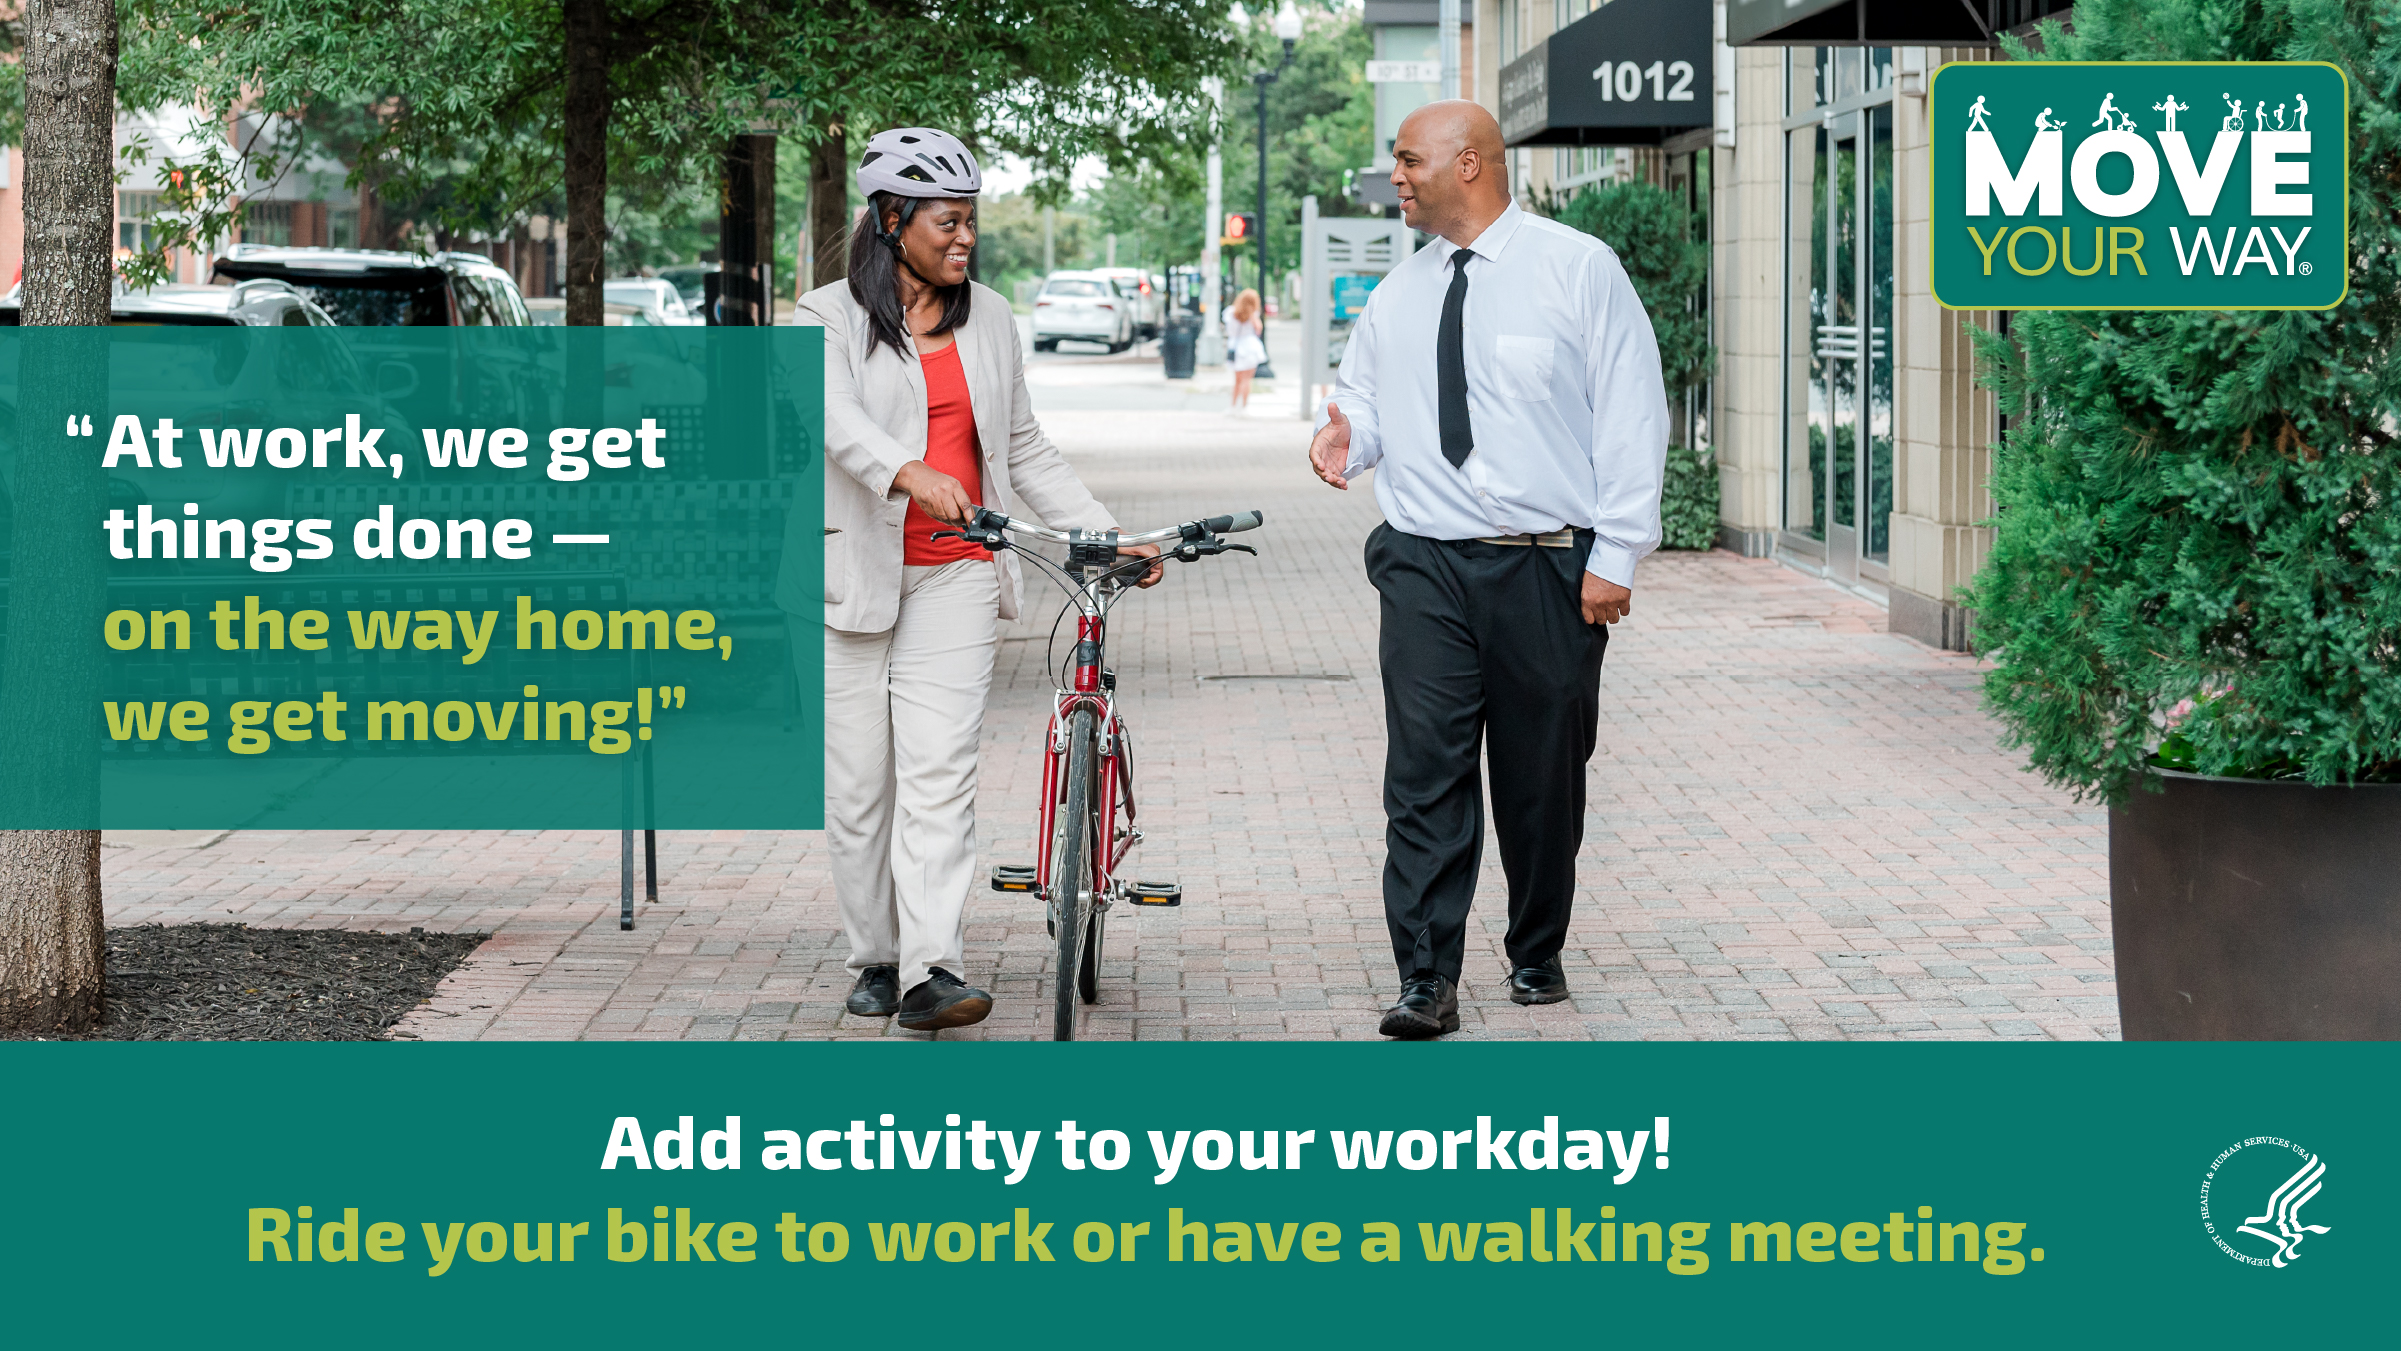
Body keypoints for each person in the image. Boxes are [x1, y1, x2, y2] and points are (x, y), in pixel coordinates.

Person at [1306, 100, 1666, 1039]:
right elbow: (1368, 399)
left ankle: (1536, 944)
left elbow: (1632, 415)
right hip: (1423, 563)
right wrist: (1348, 435)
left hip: (1549, 565)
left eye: (1406, 159)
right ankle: (1426, 974)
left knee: (1541, 772)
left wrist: (1616, 553)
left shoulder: (1577, 270)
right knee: (1422, 773)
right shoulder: (1400, 292)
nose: (1395, 175)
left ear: (1468, 163)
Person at [791, 127, 1160, 1032]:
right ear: (890, 220)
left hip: (956, 574)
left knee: (938, 773)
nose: (964, 239)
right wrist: (907, 469)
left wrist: (1105, 532)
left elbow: (1023, 445)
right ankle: (873, 955)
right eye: (947, 223)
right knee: (858, 788)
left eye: (970, 223)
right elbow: (828, 417)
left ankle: (930, 970)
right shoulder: (823, 317)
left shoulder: (989, 317)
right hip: (852, 571)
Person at [1225, 288, 1265, 413]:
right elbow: (1258, 329)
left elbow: (1229, 331)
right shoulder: (1253, 315)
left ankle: (1233, 406)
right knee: (1247, 380)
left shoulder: (1231, 313)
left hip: (1236, 347)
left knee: (1237, 380)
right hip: (1250, 347)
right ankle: (1243, 406)